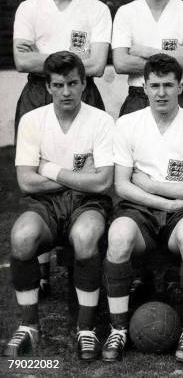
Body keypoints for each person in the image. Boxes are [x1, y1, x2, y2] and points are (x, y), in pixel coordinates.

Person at [102, 54, 183, 364]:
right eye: (155, 85)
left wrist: (154, 186)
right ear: (144, 87)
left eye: (168, 85)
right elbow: (122, 186)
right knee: (119, 236)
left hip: (181, 213)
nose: (161, 92)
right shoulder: (127, 124)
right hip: (140, 209)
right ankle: (118, 328)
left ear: (181, 86)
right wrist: (166, 201)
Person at [13, 0, 111, 290]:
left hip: (83, 90)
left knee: (86, 166)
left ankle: (77, 262)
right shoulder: (29, 8)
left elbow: (97, 65)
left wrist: (46, 55)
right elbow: (22, 60)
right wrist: (69, 60)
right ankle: (40, 269)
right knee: (37, 166)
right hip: (37, 91)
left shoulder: (96, 9)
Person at [3, 52, 114, 360]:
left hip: (87, 203)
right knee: (22, 237)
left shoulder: (101, 120)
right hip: (45, 205)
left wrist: (49, 169)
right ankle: (29, 326)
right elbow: (26, 182)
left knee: (85, 237)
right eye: (59, 84)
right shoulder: (31, 120)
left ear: (84, 84)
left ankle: (86, 329)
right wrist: (80, 176)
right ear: (48, 87)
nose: (66, 91)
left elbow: (103, 182)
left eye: (73, 83)